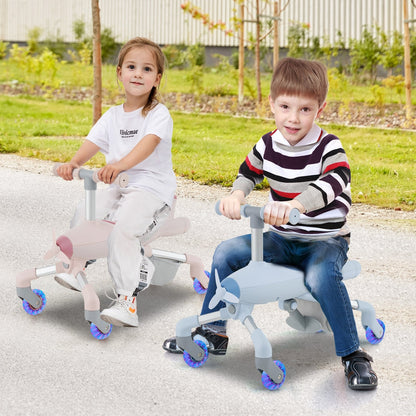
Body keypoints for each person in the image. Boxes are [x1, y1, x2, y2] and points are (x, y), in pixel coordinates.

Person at [163, 57, 378, 390]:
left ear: (319, 109)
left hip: (324, 241)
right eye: (285, 107)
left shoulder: (328, 146)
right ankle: (213, 331)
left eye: (305, 110)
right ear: (272, 104)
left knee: (321, 275)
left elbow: (335, 180)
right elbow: (248, 172)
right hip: (281, 238)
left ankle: (353, 355)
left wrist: (295, 205)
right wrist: (237, 195)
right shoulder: (267, 144)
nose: (293, 118)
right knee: (226, 253)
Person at [56, 37, 176, 327]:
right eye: (131, 67)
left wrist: (119, 165)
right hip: (120, 187)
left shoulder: (158, 114)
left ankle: (126, 301)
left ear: (157, 78)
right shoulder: (112, 116)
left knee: (123, 230)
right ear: (120, 73)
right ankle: (76, 266)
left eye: (147, 69)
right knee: (87, 211)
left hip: (152, 191)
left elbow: (148, 144)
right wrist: (74, 163)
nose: (138, 74)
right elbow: (92, 143)